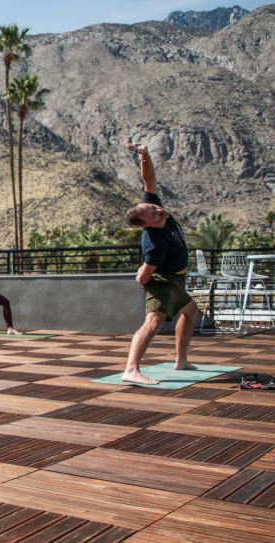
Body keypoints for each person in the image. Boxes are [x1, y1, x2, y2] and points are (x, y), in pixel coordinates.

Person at [121, 142, 197, 385]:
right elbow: (144, 276)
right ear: (146, 224)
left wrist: (144, 155)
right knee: (153, 323)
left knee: (190, 311)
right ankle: (131, 369)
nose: (157, 210)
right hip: (163, 282)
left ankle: (181, 361)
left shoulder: (158, 210)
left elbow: (149, 179)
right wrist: (143, 278)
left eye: (153, 206)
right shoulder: (153, 241)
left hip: (177, 281)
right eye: (152, 213)